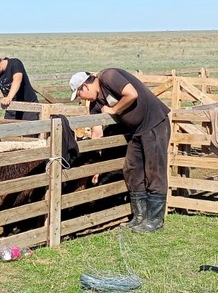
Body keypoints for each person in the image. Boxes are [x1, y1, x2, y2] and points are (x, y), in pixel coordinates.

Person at [69, 69, 171, 233]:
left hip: (154, 123)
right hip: (136, 131)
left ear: (85, 86)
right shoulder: (96, 104)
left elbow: (131, 94)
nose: (82, 99)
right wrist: (95, 164)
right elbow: (97, 132)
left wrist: (114, 109)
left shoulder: (109, 76)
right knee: (131, 169)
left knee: (154, 170)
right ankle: (140, 216)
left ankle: (155, 220)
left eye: (79, 94)